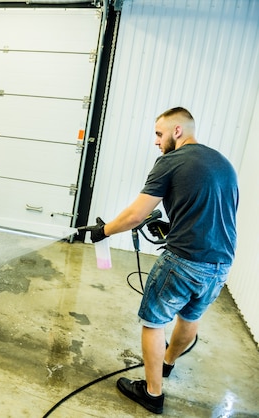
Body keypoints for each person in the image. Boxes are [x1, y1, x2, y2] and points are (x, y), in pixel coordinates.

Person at [83, 107, 238, 414]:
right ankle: (166, 365)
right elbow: (216, 212)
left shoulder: (170, 162)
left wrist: (104, 231)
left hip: (184, 261)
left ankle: (152, 394)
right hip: (221, 263)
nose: (156, 141)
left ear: (177, 131)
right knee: (190, 318)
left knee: (153, 321)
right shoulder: (222, 163)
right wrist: (175, 226)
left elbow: (135, 215)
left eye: (159, 133)